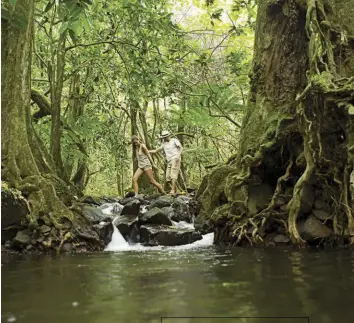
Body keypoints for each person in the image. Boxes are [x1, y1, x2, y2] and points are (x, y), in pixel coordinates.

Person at [149, 130, 183, 195]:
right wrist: (147, 151)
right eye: (163, 137)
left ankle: (173, 190)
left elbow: (181, 148)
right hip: (169, 160)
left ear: (169, 136)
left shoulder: (174, 140)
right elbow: (156, 150)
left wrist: (178, 156)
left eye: (165, 137)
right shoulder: (164, 144)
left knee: (173, 175)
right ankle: (177, 190)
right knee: (168, 177)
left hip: (175, 158)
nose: (164, 138)